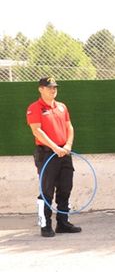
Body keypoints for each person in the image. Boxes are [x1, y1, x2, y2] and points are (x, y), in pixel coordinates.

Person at [26, 76, 82, 237]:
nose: (53, 90)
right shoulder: (34, 108)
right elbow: (37, 131)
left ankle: (63, 223)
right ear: (41, 89)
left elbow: (69, 127)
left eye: (54, 87)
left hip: (64, 153)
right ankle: (44, 225)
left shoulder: (62, 107)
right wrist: (55, 147)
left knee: (65, 188)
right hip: (46, 153)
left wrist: (68, 145)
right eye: (49, 87)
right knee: (46, 191)